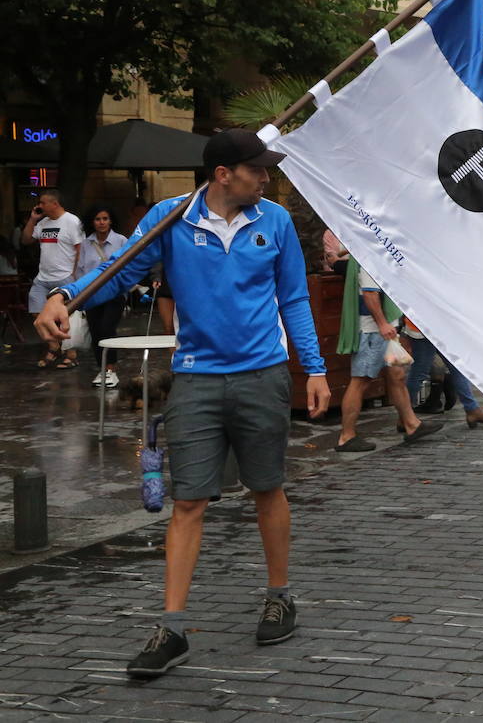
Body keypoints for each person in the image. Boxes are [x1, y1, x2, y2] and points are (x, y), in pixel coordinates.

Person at [34, 128, 331, 680]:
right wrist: (63, 299)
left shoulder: (275, 222)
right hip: (195, 379)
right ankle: (172, 627)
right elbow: (117, 272)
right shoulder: (172, 218)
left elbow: (292, 296)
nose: (266, 177)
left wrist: (313, 368)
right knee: (188, 501)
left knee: (267, 486)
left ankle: (280, 594)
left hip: (263, 375)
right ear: (223, 175)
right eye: (257, 169)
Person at [335, 257, 444, 451]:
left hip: (382, 331)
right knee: (360, 381)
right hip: (373, 332)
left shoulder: (369, 255)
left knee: (397, 375)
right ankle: (346, 436)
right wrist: (383, 324)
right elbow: (369, 294)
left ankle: (411, 424)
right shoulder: (369, 258)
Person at [22, 189, 83, 369]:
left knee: (67, 318)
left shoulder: (72, 222)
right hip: (43, 277)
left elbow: (80, 250)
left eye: (42, 203)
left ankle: (70, 354)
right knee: (37, 313)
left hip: (65, 277)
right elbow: (26, 240)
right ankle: (54, 346)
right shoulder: (43, 223)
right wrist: (33, 220)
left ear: (54, 203)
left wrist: (75, 277)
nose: (39, 206)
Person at [403, 317, 483, 427]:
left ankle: (472, 409)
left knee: (457, 367)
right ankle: (405, 416)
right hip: (422, 325)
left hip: (438, 325)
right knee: (419, 372)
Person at [77, 206, 128, 387]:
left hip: (114, 293)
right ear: (93, 221)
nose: (101, 222)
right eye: (98, 219)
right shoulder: (85, 244)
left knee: (107, 328)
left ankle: (111, 370)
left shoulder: (121, 241)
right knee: (96, 331)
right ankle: (102, 368)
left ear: (111, 220)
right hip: (92, 294)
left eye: (105, 218)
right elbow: (81, 270)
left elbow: (129, 266)